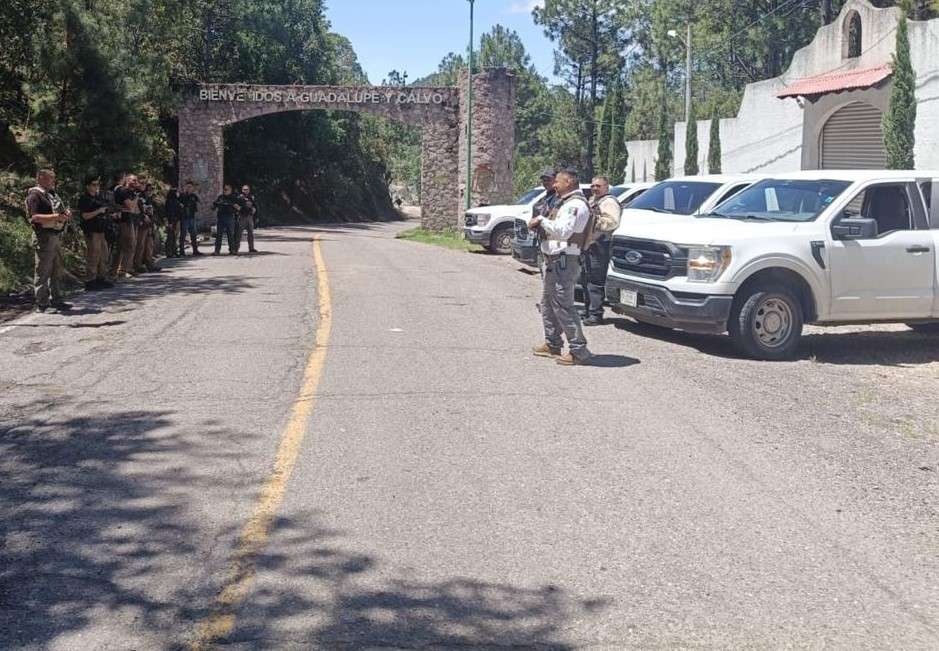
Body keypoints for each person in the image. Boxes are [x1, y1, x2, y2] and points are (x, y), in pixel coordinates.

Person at [528, 168, 593, 366]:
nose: (554, 185)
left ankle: (579, 350)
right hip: (554, 260)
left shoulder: (575, 205)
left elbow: (563, 232)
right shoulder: (564, 203)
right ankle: (553, 343)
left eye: (558, 181)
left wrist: (541, 220)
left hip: (564, 261)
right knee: (548, 302)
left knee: (563, 305)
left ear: (570, 182)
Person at [25, 169, 72, 312]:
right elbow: (35, 217)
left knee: (56, 269)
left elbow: (56, 212)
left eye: (53, 178)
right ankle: (42, 303)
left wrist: (64, 215)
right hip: (43, 237)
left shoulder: (50, 195)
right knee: (43, 271)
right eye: (50, 178)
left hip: (54, 235)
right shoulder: (35, 195)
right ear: (41, 178)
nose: (53, 181)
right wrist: (57, 217)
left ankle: (56, 299)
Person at [580, 176, 622, 325]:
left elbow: (612, 222)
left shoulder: (609, 202)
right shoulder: (593, 200)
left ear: (606, 187)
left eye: (598, 186)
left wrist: (594, 221)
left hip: (600, 246)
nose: (595, 188)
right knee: (586, 279)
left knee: (595, 281)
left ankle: (595, 314)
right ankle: (587, 310)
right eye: (593, 186)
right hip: (589, 245)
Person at [77, 177, 116, 291]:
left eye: (97, 184)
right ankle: (90, 280)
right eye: (93, 184)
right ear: (87, 186)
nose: (96, 187)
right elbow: (85, 216)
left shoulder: (99, 198)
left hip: (101, 230)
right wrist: (99, 211)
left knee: (103, 254)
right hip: (91, 231)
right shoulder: (84, 199)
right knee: (93, 255)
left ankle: (101, 278)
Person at [111, 174, 141, 278]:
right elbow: (131, 207)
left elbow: (134, 209)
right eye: (133, 180)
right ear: (127, 180)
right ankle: (121, 270)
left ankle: (120, 270)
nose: (135, 182)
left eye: (136, 180)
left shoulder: (129, 192)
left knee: (125, 246)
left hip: (128, 220)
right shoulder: (122, 191)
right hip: (123, 222)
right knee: (128, 245)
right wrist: (136, 198)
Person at [133, 180, 160, 273]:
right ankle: (138, 264)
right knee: (140, 245)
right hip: (141, 223)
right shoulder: (137, 196)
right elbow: (137, 209)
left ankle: (149, 263)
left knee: (149, 244)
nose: (149, 192)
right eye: (148, 190)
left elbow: (152, 210)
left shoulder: (148, 198)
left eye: (151, 190)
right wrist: (143, 216)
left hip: (149, 223)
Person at [212, 183, 242, 255]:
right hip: (221, 218)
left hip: (230, 218)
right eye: (224, 189)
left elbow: (239, 207)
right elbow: (214, 205)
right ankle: (217, 251)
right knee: (219, 235)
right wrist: (213, 206)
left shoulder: (234, 198)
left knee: (230, 235)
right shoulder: (220, 197)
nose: (225, 191)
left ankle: (232, 250)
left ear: (230, 190)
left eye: (226, 189)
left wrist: (236, 207)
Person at [178, 181, 202, 256]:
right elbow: (179, 205)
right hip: (184, 217)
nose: (188, 188)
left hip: (192, 217)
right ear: (185, 187)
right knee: (183, 234)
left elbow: (200, 202)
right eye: (187, 187)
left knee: (193, 235)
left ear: (192, 188)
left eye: (190, 187)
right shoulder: (182, 196)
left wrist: (197, 193)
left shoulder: (194, 196)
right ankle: (181, 251)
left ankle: (195, 250)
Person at [235, 184, 258, 253]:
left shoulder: (252, 197)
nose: (245, 191)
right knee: (239, 233)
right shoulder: (239, 197)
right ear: (242, 190)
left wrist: (254, 211)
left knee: (251, 233)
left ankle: (251, 248)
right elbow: (236, 206)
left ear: (249, 190)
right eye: (244, 189)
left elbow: (255, 206)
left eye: (247, 189)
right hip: (242, 217)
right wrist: (239, 210)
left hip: (249, 217)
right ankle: (236, 249)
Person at [164, 186, 182, 257]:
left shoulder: (174, 201)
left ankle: (173, 251)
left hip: (176, 220)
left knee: (174, 237)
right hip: (172, 220)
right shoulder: (171, 201)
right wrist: (170, 222)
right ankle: (170, 252)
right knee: (171, 237)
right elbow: (170, 212)